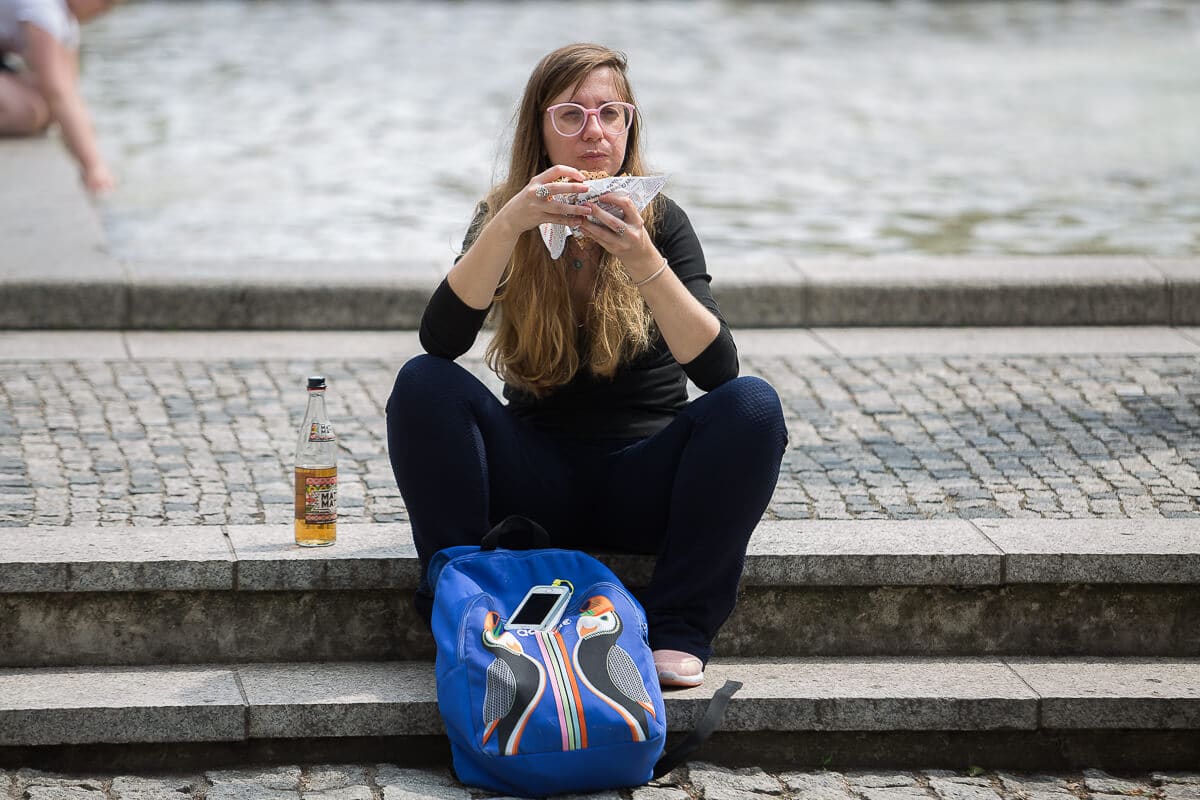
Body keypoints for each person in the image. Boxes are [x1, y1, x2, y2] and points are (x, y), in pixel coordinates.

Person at [386, 43, 787, 688]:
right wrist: (510, 222)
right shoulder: (504, 217)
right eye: (570, 115)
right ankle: (462, 601)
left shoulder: (662, 221)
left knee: (754, 406)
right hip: (533, 484)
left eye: (610, 113)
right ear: (540, 131)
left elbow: (718, 370)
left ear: (630, 125)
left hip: (644, 479)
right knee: (422, 384)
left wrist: (643, 260)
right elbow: (441, 340)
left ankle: (680, 626)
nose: (593, 131)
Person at [0, 0, 116, 192]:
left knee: (44, 108)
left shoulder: (67, 24)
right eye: (105, 3)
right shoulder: (43, 11)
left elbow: (70, 94)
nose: (103, 12)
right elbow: (59, 95)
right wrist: (93, 165)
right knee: (27, 111)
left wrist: (87, 161)